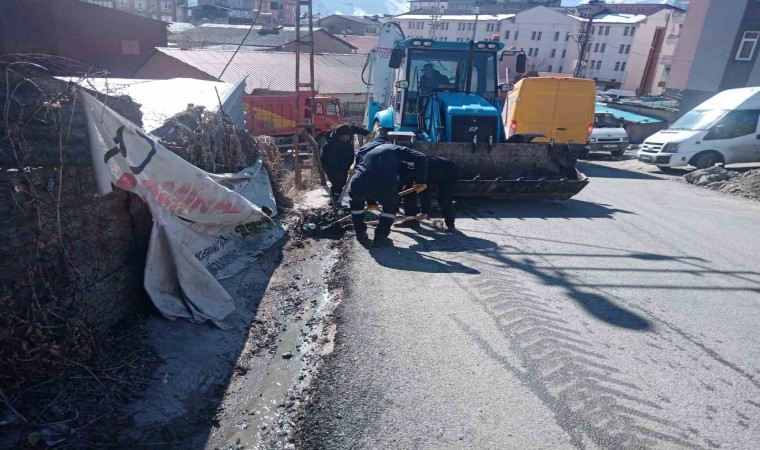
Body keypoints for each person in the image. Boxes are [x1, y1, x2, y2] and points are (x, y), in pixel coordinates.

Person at [348, 133, 428, 247]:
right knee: (389, 209)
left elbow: (365, 172)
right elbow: (421, 157)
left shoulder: (365, 150)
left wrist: (371, 202)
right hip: (384, 184)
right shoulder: (393, 148)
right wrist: (420, 180)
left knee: (356, 207)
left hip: (359, 183)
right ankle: (380, 237)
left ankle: (361, 234)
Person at [399, 156, 459, 231]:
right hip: (434, 170)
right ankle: (411, 221)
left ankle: (450, 224)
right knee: (408, 193)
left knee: (444, 199)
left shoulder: (419, 171)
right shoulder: (406, 167)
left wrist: (424, 212)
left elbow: (424, 193)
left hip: (449, 173)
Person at [320, 124, 370, 204]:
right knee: (338, 182)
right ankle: (334, 200)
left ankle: (336, 197)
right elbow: (334, 162)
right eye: (342, 137)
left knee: (342, 181)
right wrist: (347, 169)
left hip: (344, 159)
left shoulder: (349, 129)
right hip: (330, 166)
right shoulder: (330, 146)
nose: (345, 138)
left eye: (347, 136)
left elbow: (358, 129)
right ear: (338, 136)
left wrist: (369, 134)